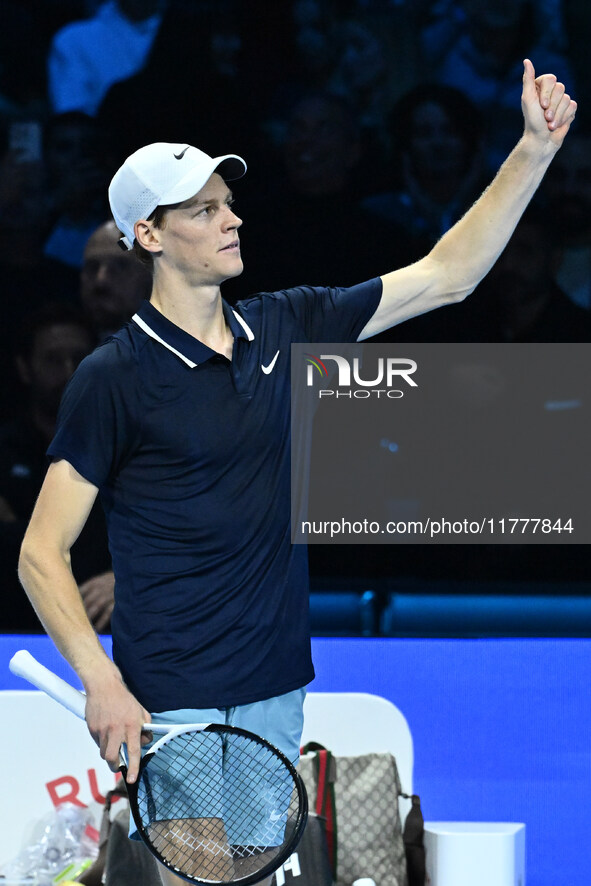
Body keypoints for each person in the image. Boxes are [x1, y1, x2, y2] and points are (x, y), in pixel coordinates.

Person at [17, 61, 576, 886]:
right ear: (148, 236)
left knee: (248, 882)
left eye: (228, 203)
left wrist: (531, 150)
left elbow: (448, 274)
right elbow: (40, 552)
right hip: (173, 698)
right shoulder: (114, 376)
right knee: (200, 881)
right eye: (203, 211)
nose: (230, 219)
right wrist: (102, 683)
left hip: (275, 686)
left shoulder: (291, 322)